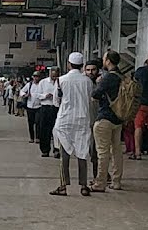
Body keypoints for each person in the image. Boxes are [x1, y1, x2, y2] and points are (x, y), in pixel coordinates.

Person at [50, 52, 94, 197]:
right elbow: (90, 98)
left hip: (65, 121)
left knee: (64, 154)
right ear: (82, 65)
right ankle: (84, 186)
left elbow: (56, 102)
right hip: (82, 120)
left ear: (69, 64)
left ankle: (63, 186)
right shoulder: (88, 81)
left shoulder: (61, 80)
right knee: (82, 152)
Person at [90, 50, 125, 192]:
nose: (103, 61)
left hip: (105, 117)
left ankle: (100, 182)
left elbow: (95, 94)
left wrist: (99, 83)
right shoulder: (122, 76)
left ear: (108, 61)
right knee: (117, 150)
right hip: (118, 118)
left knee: (102, 152)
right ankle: (116, 181)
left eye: (104, 59)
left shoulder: (108, 77)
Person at [35, 67, 60, 157]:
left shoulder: (61, 81)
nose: (54, 77)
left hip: (56, 108)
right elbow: (37, 95)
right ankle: (45, 150)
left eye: (56, 75)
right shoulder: (43, 82)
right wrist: (45, 95)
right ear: (49, 73)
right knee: (44, 130)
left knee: (57, 129)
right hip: (45, 107)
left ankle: (57, 149)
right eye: (53, 75)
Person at [84, 60, 101, 177]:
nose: (90, 72)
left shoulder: (102, 83)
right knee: (90, 149)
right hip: (85, 120)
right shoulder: (82, 83)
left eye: (93, 69)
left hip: (99, 120)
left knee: (97, 150)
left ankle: (98, 175)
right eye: (88, 70)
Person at [21, 70, 43, 143]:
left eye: (37, 77)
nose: (36, 78)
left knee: (38, 122)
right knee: (30, 123)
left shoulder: (42, 85)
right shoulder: (29, 84)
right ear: (33, 77)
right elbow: (22, 91)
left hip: (39, 107)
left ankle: (38, 137)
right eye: (35, 77)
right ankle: (31, 137)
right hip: (30, 107)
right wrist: (25, 95)